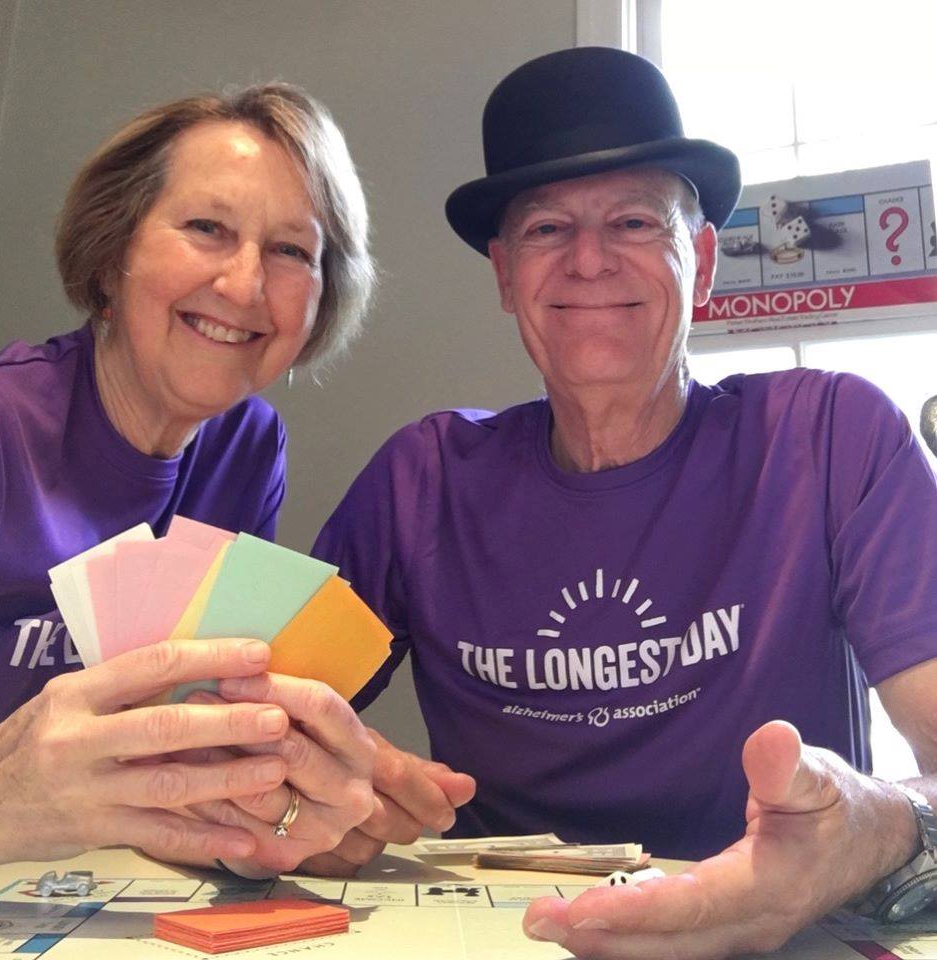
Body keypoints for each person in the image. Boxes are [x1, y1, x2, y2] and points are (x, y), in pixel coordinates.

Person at [311, 48, 937, 956]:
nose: (589, 261)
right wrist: (315, 794)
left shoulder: (830, 439)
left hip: (786, 938)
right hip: (517, 939)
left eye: (636, 221)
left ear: (704, 259)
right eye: (545, 229)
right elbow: (265, 728)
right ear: (503, 274)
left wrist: (870, 830)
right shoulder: (421, 481)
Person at [0, 83, 382, 876]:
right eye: (207, 228)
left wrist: (293, 792)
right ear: (112, 250)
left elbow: (193, 737)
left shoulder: (249, 448)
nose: (244, 285)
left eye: (291, 251)